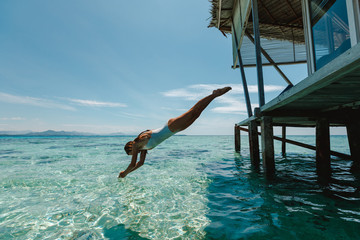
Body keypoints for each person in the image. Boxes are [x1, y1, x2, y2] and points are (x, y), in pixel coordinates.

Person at [118, 86, 232, 178]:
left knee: (192, 111)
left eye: (131, 154)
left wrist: (124, 173)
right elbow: (140, 163)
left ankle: (214, 94)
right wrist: (128, 173)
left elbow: (133, 164)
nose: (134, 154)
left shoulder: (137, 144)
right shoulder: (143, 148)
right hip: (175, 130)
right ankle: (213, 96)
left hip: (170, 126)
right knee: (196, 115)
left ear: (130, 147)